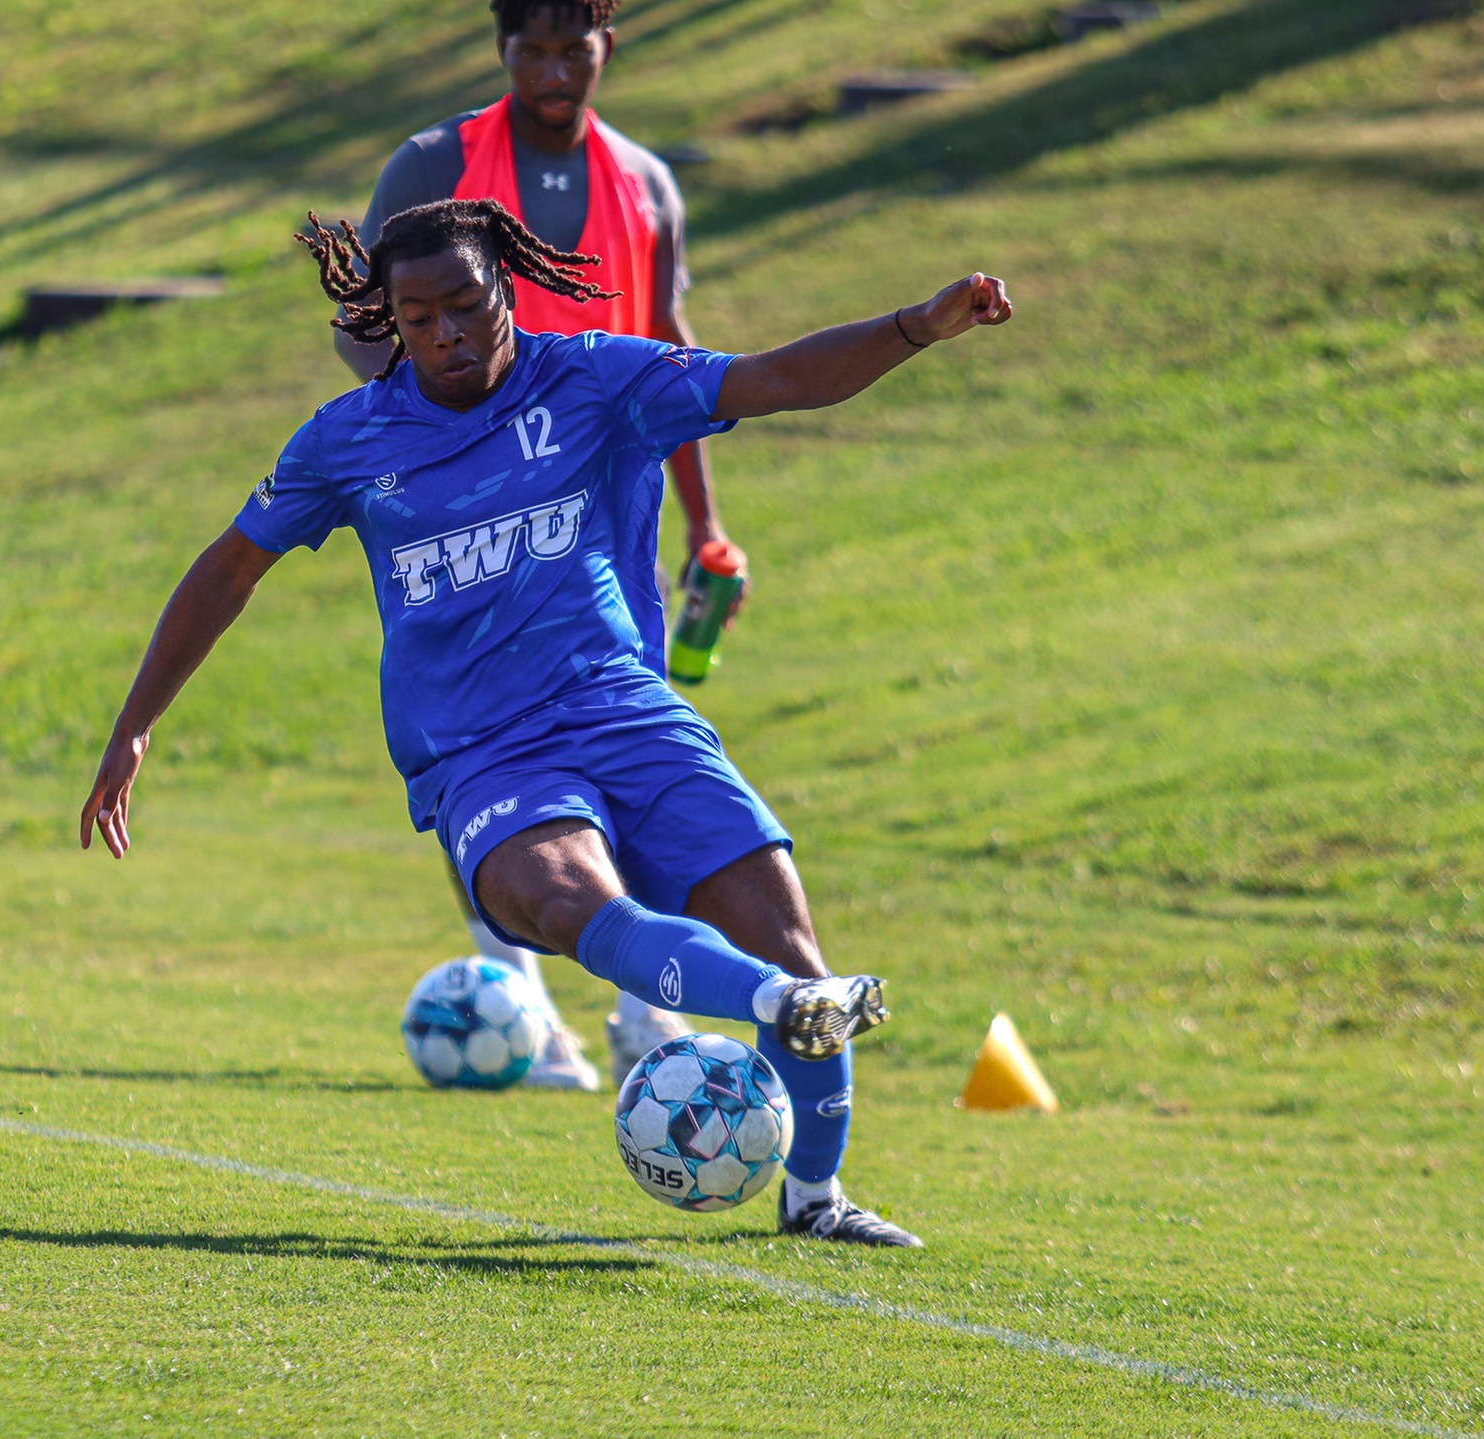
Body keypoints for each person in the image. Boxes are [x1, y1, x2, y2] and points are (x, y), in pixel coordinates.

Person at [82, 199, 1011, 1245]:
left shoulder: (595, 379)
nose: (444, 333)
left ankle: (816, 1199)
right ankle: (772, 1003)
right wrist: (135, 724)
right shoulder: (349, 439)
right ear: (389, 319)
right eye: (417, 314)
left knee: (793, 937)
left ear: (505, 293)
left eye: (464, 306)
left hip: (626, 712)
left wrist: (917, 327)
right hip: (480, 752)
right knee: (569, 900)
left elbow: (775, 378)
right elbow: (227, 569)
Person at [339, 0, 734, 1090]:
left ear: (611, 49)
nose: (554, 69)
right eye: (533, 47)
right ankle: (517, 1004)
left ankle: (644, 1012)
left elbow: (671, 359)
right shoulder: (434, 163)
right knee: (491, 749)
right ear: (501, 49)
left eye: (576, 47)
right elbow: (363, 330)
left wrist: (705, 520)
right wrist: (444, 464)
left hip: (610, 512)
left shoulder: (646, 184)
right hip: (468, 513)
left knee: (631, 736)